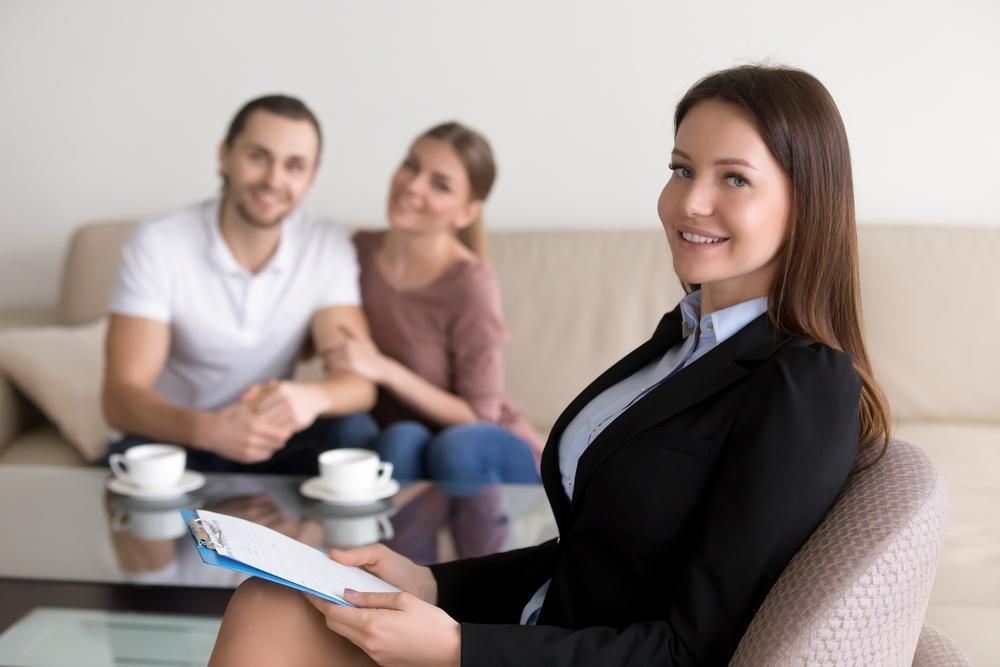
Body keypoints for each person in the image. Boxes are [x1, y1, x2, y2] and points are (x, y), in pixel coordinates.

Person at [207, 65, 892, 666]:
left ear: (805, 202)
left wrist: (455, 648)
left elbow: (695, 649)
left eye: (734, 178)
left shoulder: (804, 383)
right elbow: (598, 554)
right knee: (268, 599)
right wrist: (432, 584)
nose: (690, 201)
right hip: (535, 632)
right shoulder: (683, 338)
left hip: (550, 653)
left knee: (271, 619)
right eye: (682, 168)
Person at [102, 94, 377, 475]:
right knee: (136, 456)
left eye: (294, 166)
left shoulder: (326, 245)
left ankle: (337, 536)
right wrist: (208, 429)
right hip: (179, 435)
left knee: (356, 429)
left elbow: (359, 384)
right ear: (224, 156)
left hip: (273, 440)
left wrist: (312, 397)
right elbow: (119, 397)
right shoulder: (158, 243)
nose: (273, 180)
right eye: (258, 156)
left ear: (312, 177)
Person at [324, 122, 543, 489]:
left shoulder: (470, 284)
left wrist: (385, 370)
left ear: (466, 213)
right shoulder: (357, 251)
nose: (412, 185)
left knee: (445, 445)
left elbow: (480, 415)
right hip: (404, 440)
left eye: (439, 184)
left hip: (477, 449)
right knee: (385, 434)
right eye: (411, 165)